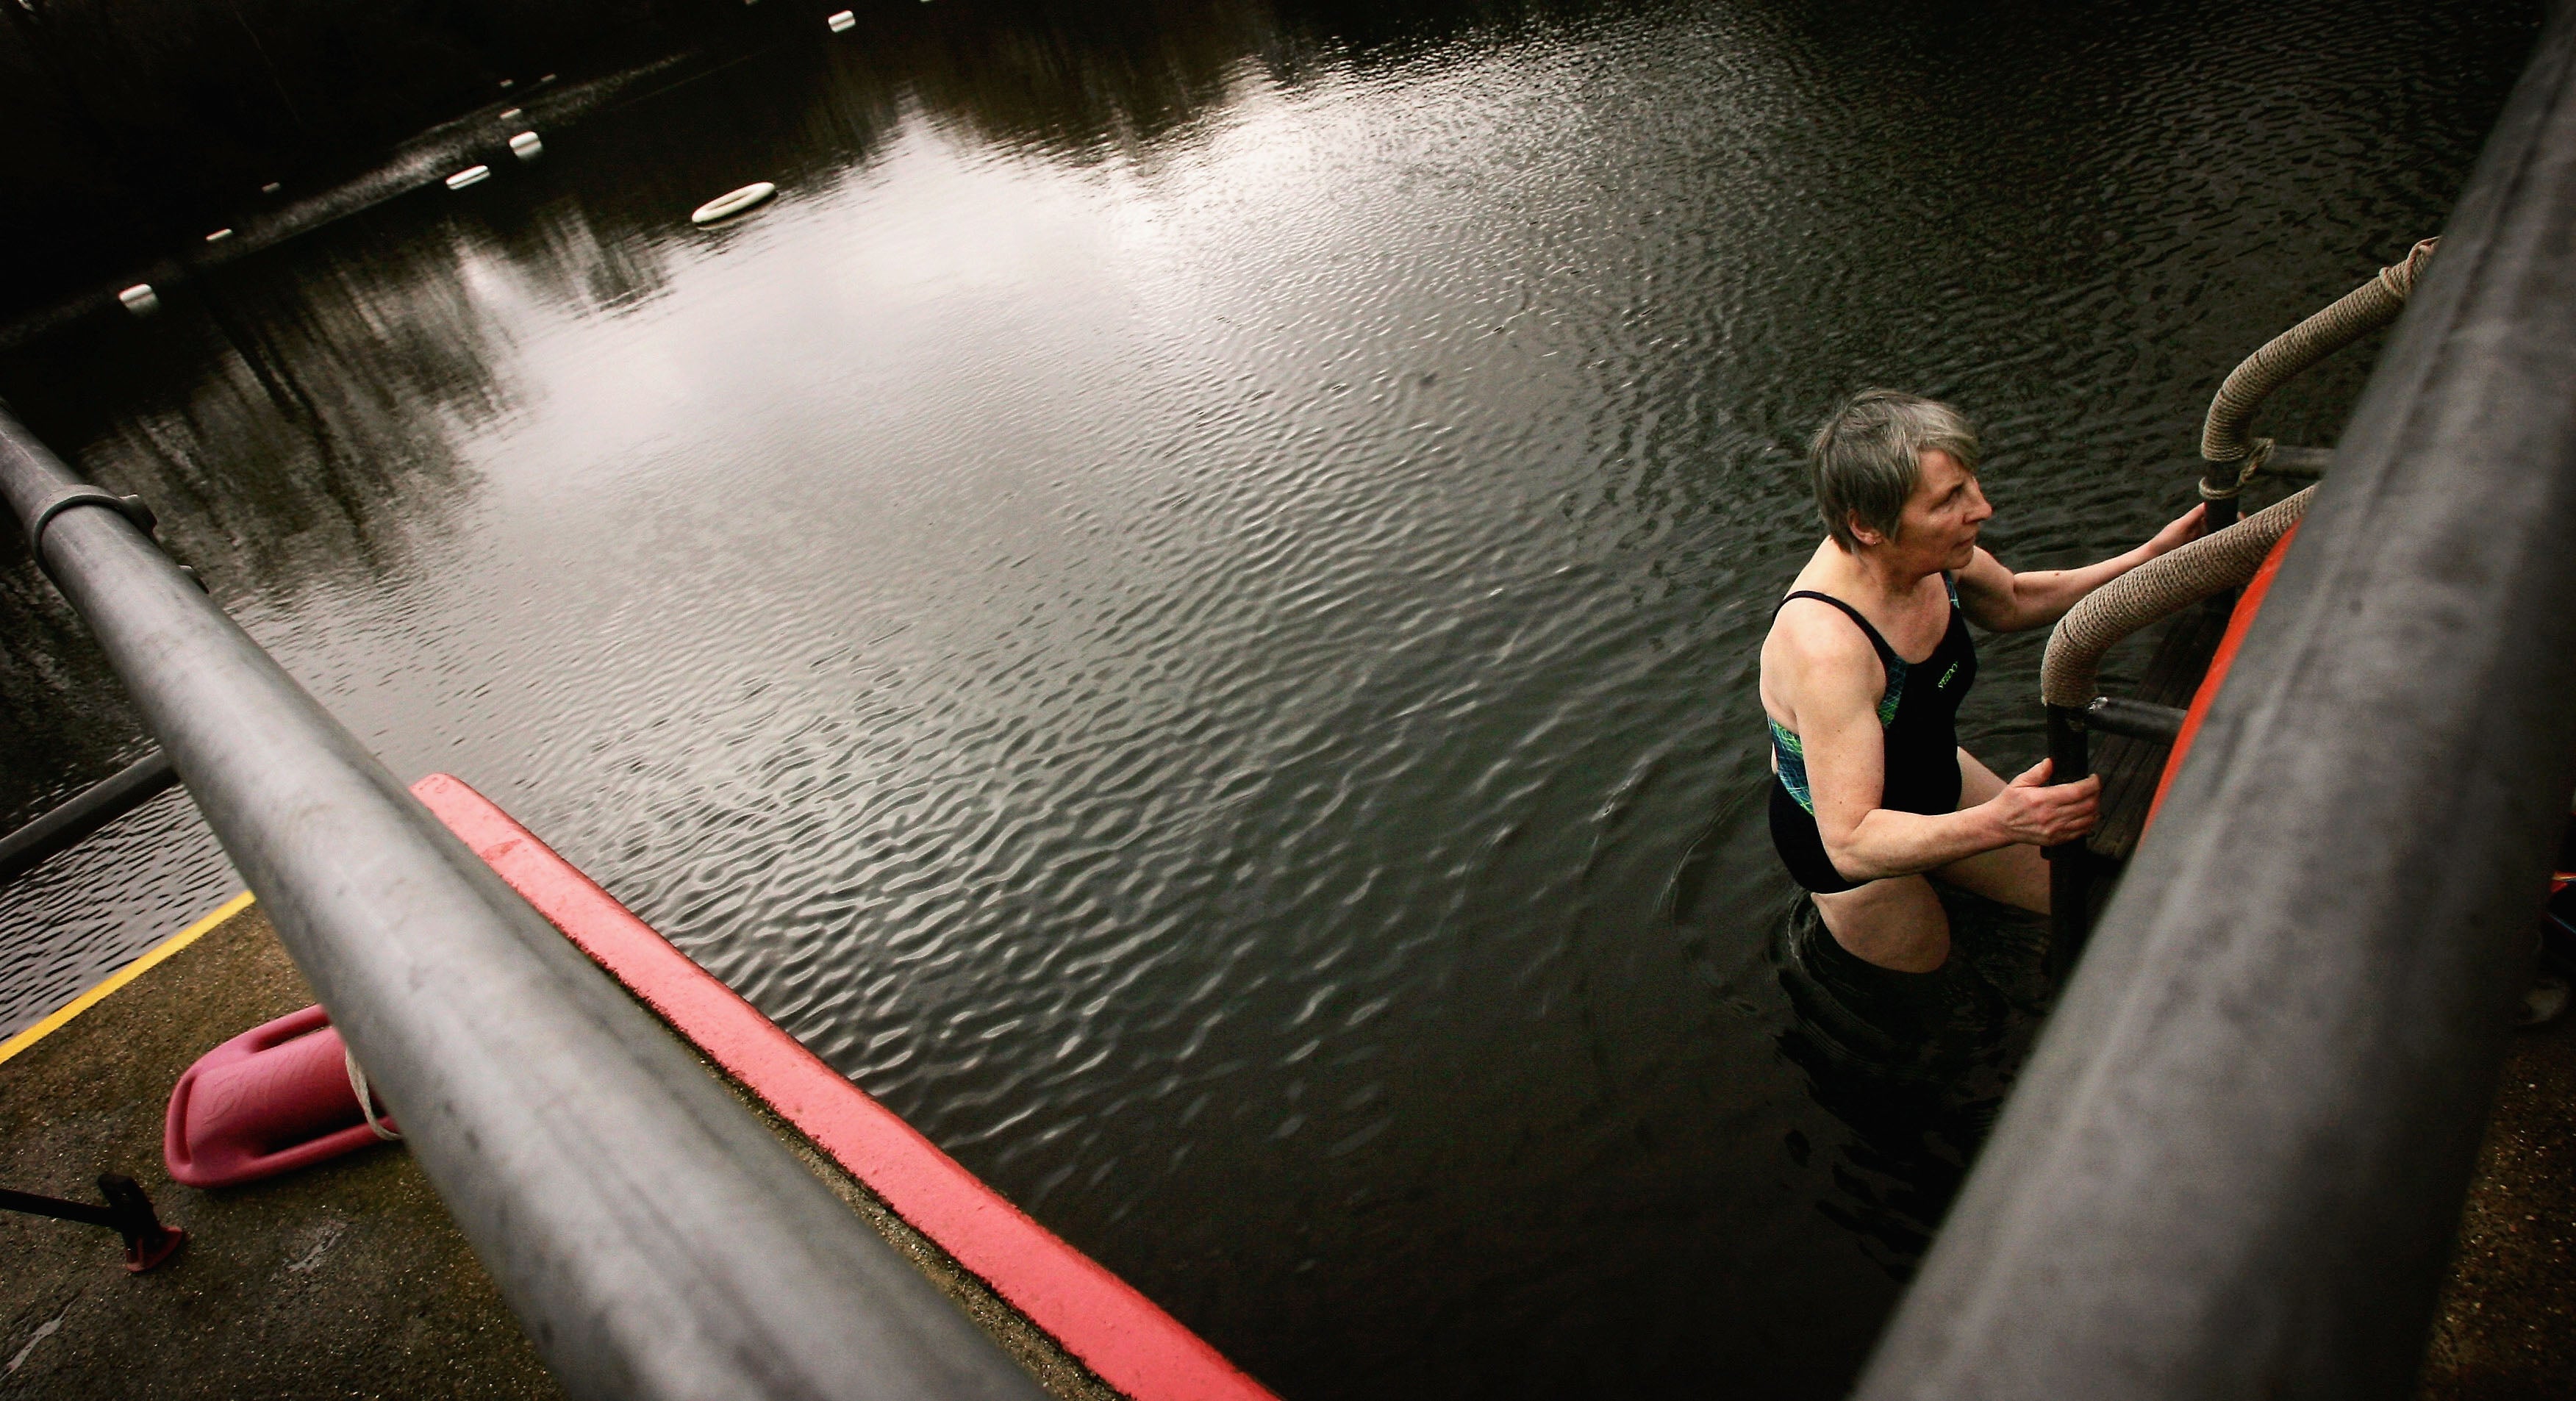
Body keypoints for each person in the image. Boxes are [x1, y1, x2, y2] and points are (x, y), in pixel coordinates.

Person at [1760, 390, 2208, 973]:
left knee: (2072, 902)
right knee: (1929, 976)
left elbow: (2015, 600)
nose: (1983, 509)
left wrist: (2154, 556)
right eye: (1950, 500)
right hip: (1845, 841)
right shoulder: (1827, 647)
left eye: (1971, 485)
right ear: (1868, 526)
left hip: (1931, 770)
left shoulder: (1929, 552)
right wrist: (2003, 821)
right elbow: (1852, 842)